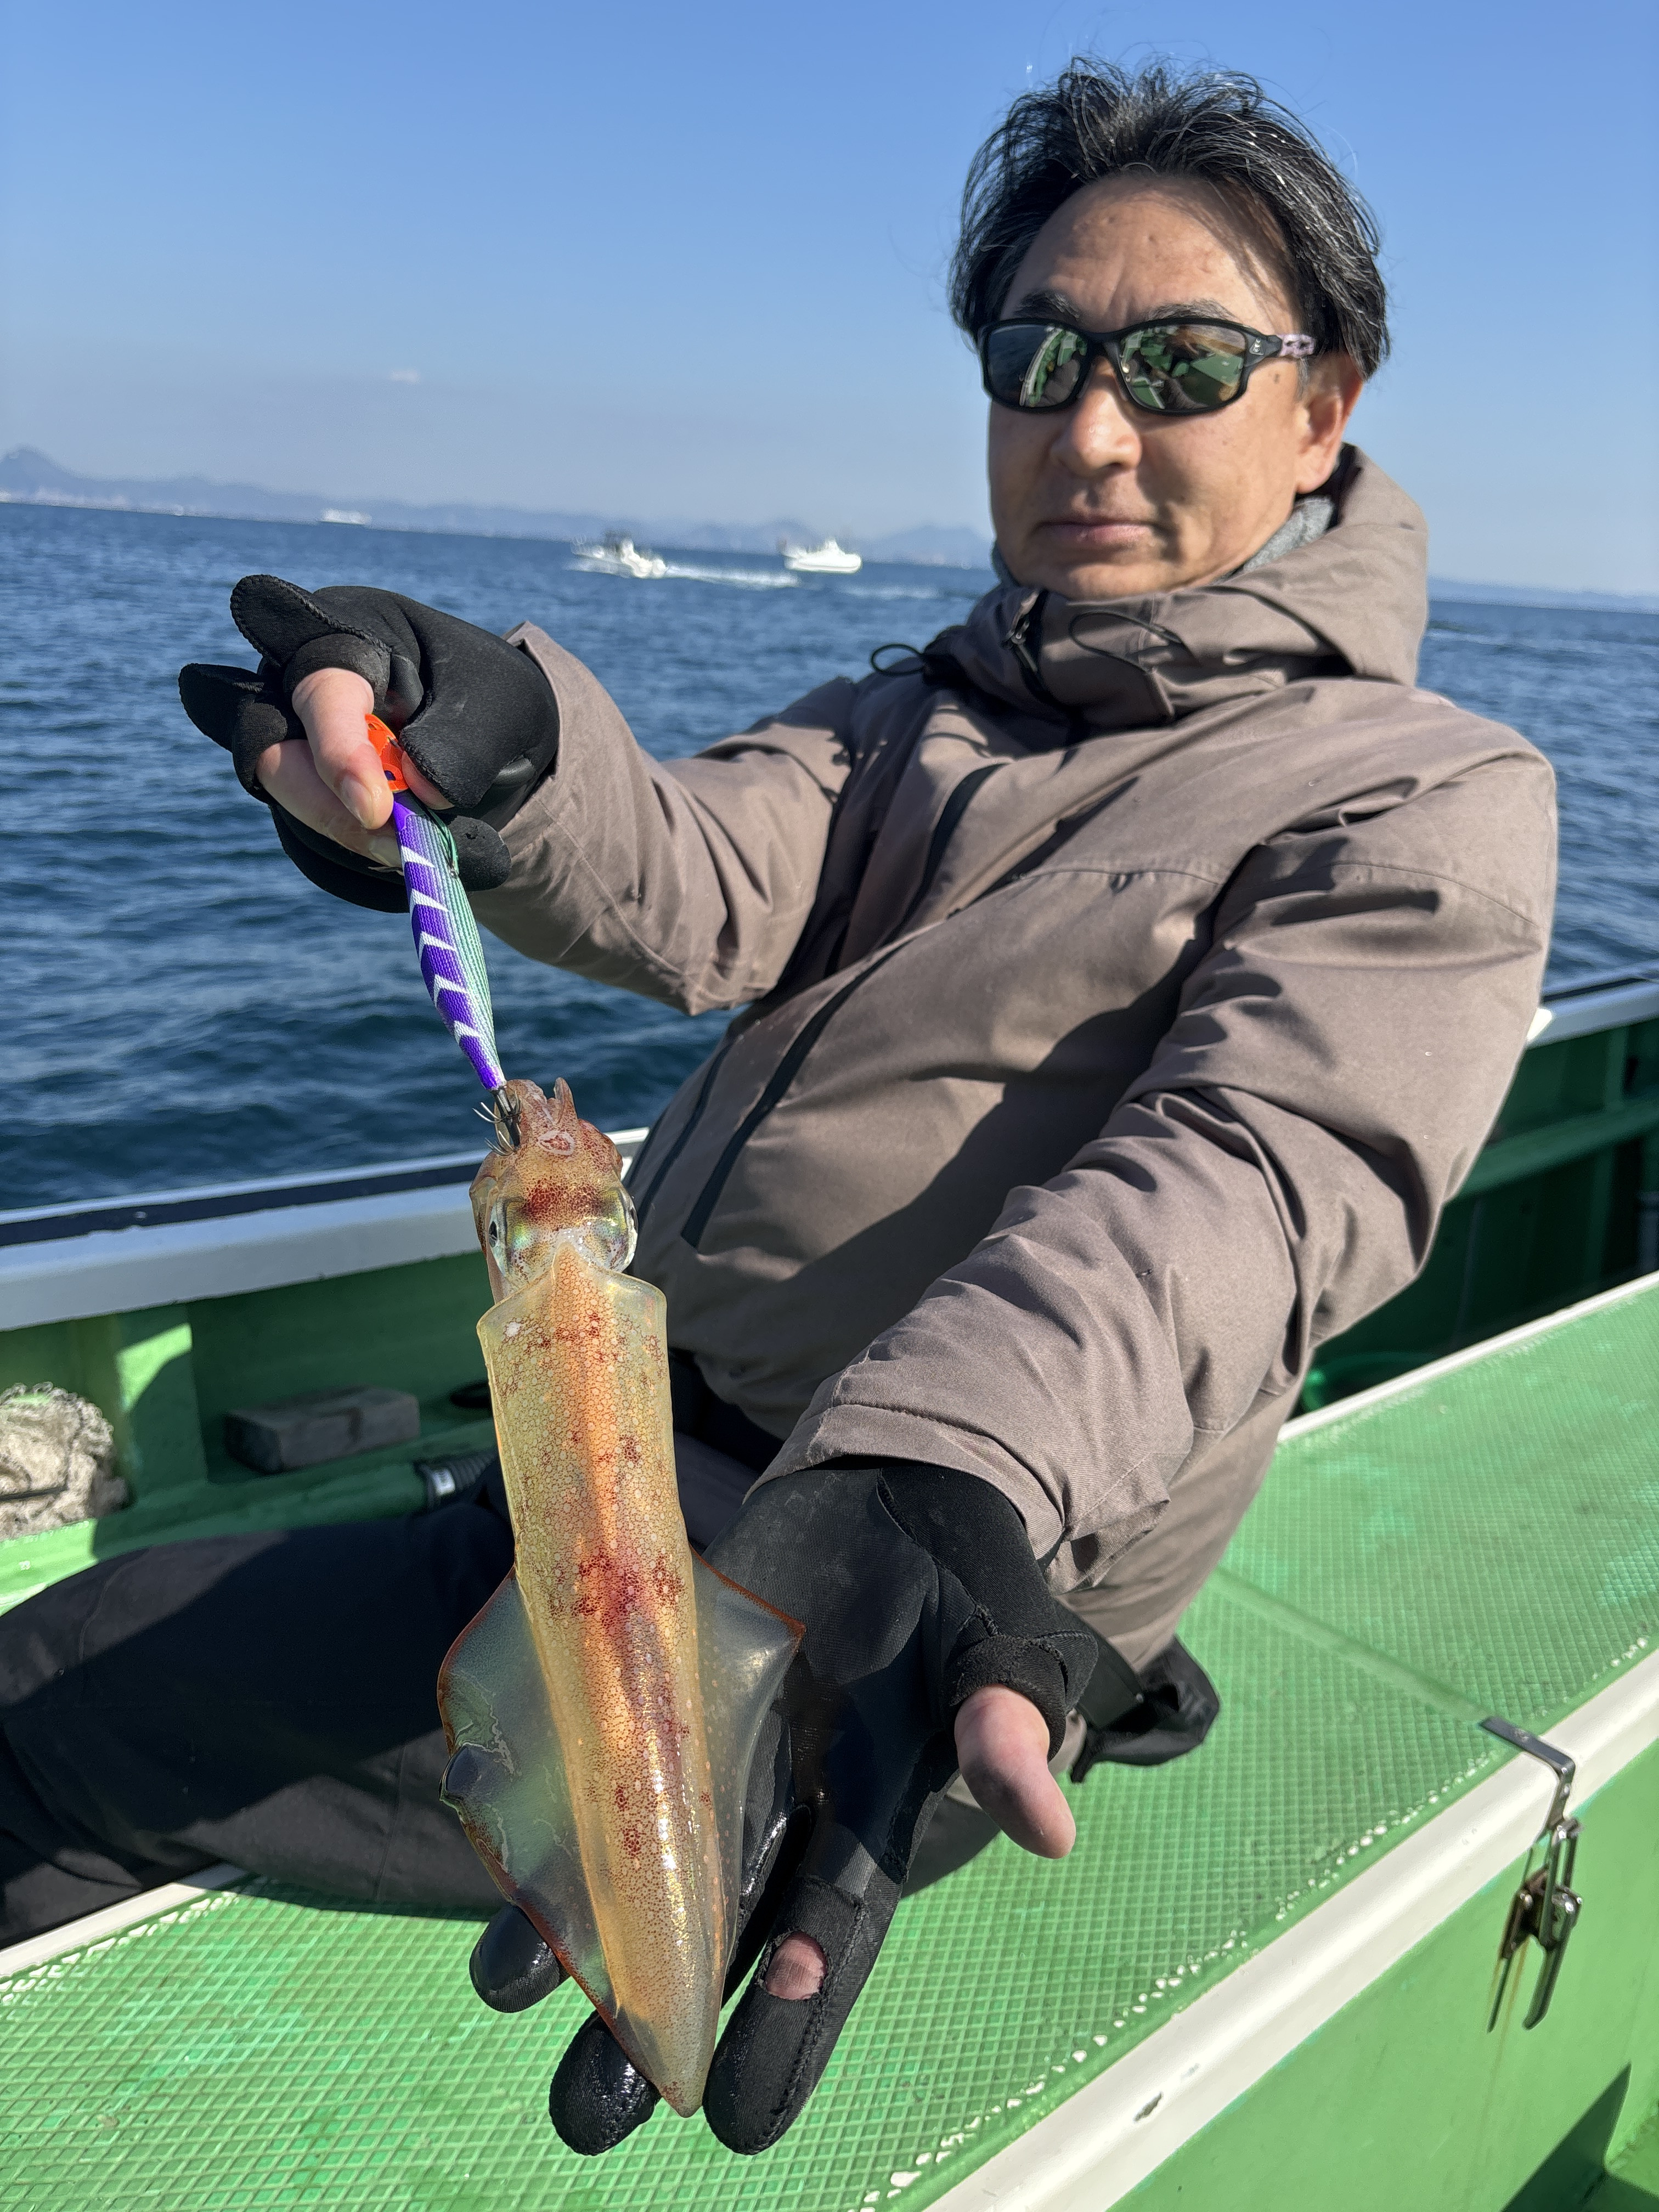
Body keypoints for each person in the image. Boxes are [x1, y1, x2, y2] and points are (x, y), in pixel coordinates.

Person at [0, 60, 1554, 2160]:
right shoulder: (922, 711)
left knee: (40, 1712)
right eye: (1037, 358)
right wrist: (499, 739)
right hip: (619, 1490)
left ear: (1325, 407)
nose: (1093, 428)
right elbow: (695, 868)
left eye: (1183, 363)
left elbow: (1266, 1176)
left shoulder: (1425, 793)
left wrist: (935, 1462)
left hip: (896, 1599)